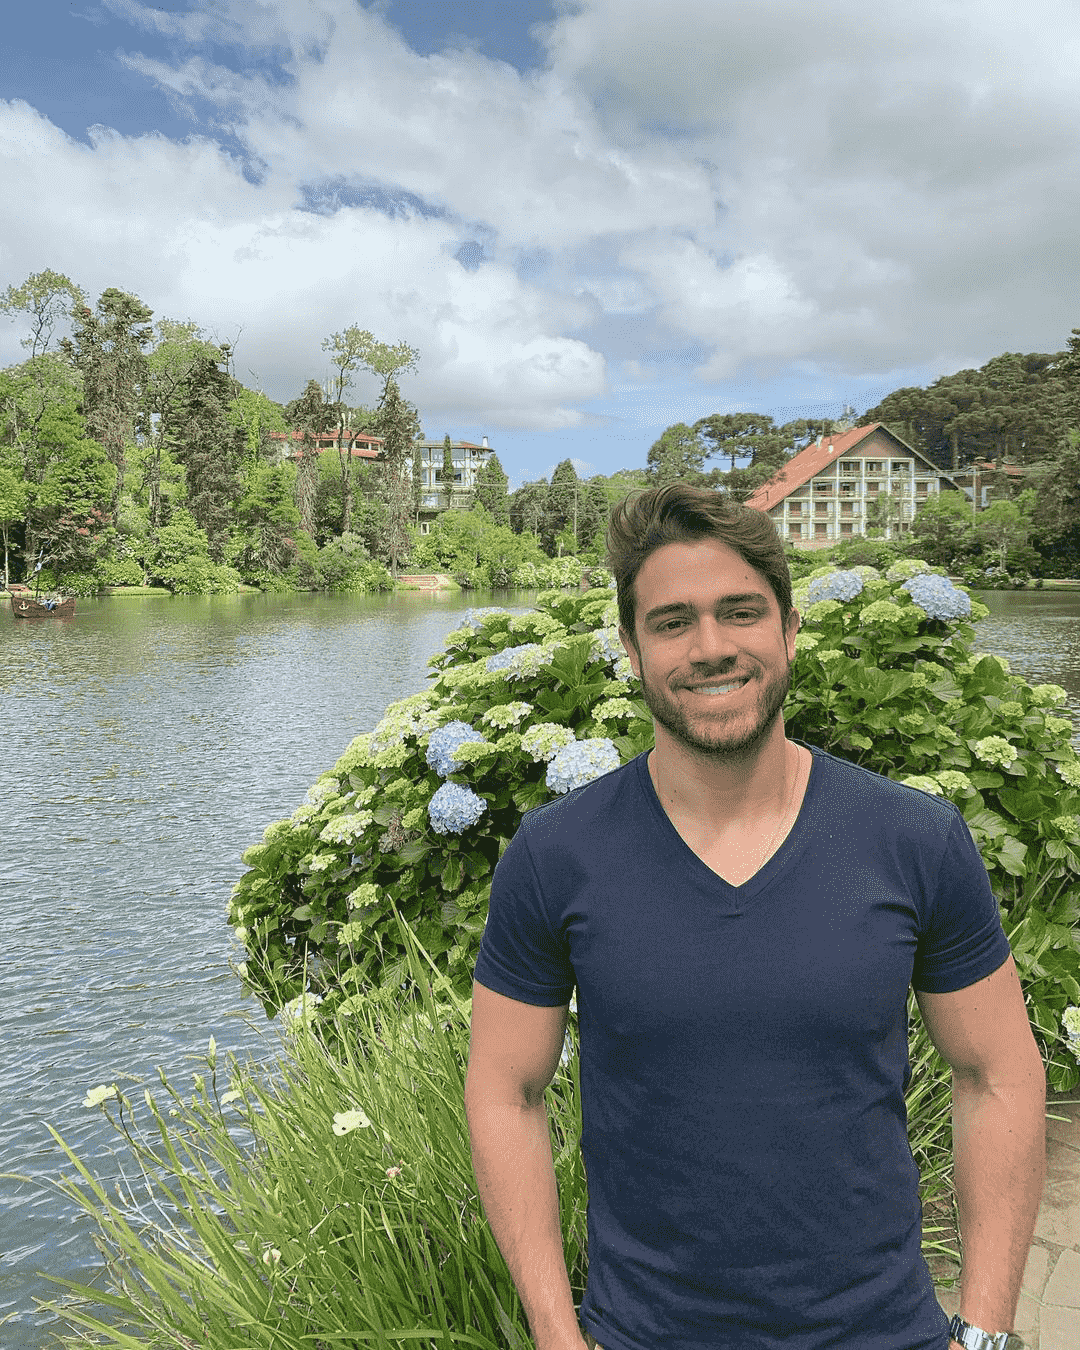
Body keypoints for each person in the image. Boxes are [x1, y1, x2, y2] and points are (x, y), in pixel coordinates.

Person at [464, 484, 1046, 1350]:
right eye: (673, 622)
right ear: (630, 648)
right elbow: (503, 1091)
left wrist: (988, 1330)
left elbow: (997, 1074)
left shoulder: (913, 839)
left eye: (740, 612)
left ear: (789, 631)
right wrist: (556, 1334)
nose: (711, 648)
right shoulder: (557, 856)